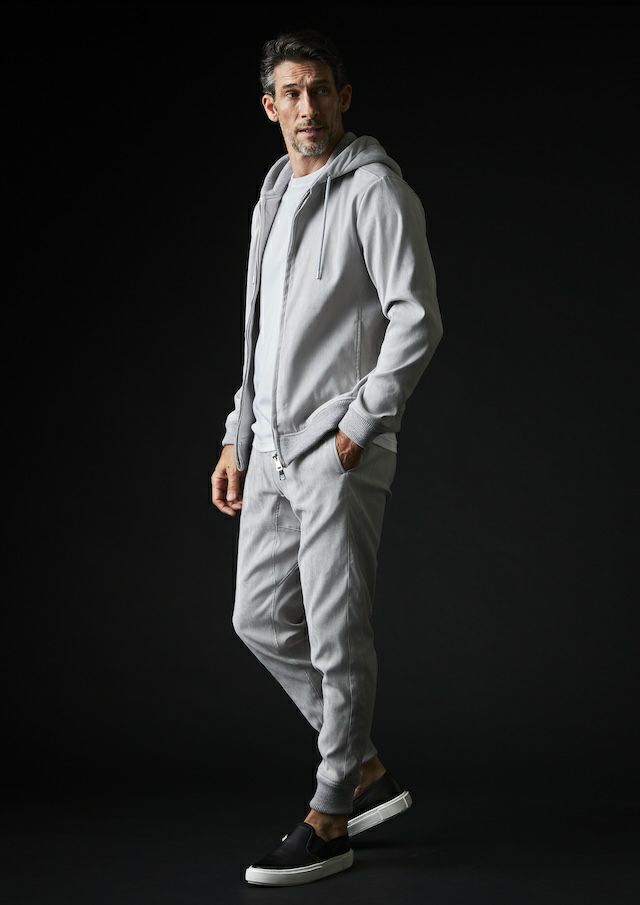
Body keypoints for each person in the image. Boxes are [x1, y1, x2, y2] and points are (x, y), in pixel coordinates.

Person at [211, 28, 444, 886]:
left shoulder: (375, 191)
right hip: (270, 448)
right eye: (291, 93)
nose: (307, 107)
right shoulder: (273, 193)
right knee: (258, 618)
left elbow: (417, 317)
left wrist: (360, 423)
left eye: (320, 90)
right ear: (269, 107)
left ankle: (331, 810)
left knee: (338, 636)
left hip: (337, 452)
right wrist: (236, 435)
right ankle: (364, 765)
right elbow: (262, 336)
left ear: (344, 97)